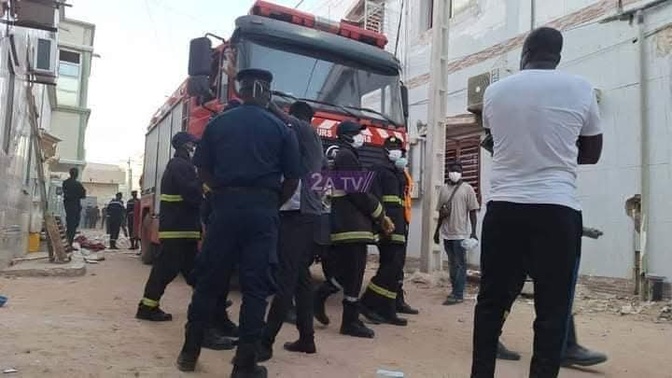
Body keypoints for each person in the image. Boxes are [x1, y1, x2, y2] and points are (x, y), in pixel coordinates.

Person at [471, 27, 603, 378]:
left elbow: (496, 143)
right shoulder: (581, 88)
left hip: (504, 210)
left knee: (491, 305)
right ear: (557, 57)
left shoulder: (495, 92)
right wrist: (556, 149)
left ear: (524, 54)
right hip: (557, 210)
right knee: (552, 312)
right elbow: (592, 153)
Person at [176, 68, 302, 377]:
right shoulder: (282, 128)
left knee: (208, 281)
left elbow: (202, 168)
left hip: (224, 207)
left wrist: (217, 192)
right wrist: (272, 202)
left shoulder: (218, 123)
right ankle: (244, 365)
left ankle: (189, 353)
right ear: (266, 93)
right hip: (262, 210)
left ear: (239, 91)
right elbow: (294, 177)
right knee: (256, 288)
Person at [135, 132, 233, 350]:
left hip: (183, 229)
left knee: (195, 271)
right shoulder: (180, 166)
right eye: (192, 145)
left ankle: (212, 304)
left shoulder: (182, 166)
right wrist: (208, 188)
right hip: (178, 229)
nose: (194, 148)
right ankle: (147, 307)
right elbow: (191, 193)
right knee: (166, 271)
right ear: (185, 146)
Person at [312, 121, 395, 339]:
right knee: (355, 273)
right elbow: (357, 192)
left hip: (348, 225)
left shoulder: (345, 156)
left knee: (345, 272)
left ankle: (320, 298)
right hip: (351, 226)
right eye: (359, 134)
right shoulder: (346, 156)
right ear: (348, 135)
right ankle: (349, 322)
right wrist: (380, 214)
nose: (363, 138)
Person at [258, 101, 324, 361]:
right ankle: (306, 339)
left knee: (285, 279)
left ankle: (265, 342)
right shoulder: (303, 144)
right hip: (299, 215)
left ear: (298, 118)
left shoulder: (307, 131)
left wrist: (264, 98)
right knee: (300, 280)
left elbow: (286, 119)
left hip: (299, 216)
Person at [496, 227, 608, 367]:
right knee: (512, 290)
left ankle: (567, 345)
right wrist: (580, 229)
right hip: (530, 239)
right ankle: (566, 346)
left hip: (531, 238)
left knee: (553, 291)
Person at [359, 136, 411, 326]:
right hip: (387, 225)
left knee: (396, 268)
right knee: (390, 266)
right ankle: (367, 302)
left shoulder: (398, 172)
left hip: (400, 225)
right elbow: (374, 198)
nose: (396, 151)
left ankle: (388, 309)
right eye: (392, 147)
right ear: (385, 151)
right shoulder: (378, 169)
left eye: (399, 148)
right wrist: (380, 222)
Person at [433, 162, 480, 305]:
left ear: (462, 173)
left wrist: (473, 232)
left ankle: (458, 294)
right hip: (446, 234)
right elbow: (441, 212)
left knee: (460, 264)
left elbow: (472, 211)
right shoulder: (443, 189)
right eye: (452, 170)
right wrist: (436, 231)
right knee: (452, 264)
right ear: (448, 171)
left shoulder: (468, 189)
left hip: (460, 234)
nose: (454, 173)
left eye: (457, 170)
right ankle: (455, 290)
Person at [397, 167, 419, 315]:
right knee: (393, 266)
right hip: (395, 222)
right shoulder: (390, 171)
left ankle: (398, 301)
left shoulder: (403, 172)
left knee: (399, 265)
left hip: (404, 220)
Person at [62, 168, 86, 249]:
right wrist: (76, 195)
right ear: (76, 174)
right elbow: (83, 195)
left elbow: (65, 193)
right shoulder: (77, 184)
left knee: (70, 224)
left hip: (68, 205)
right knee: (73, 225)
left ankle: (68, 242)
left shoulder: (65, 183)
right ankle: (69, 243)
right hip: (75, 205)